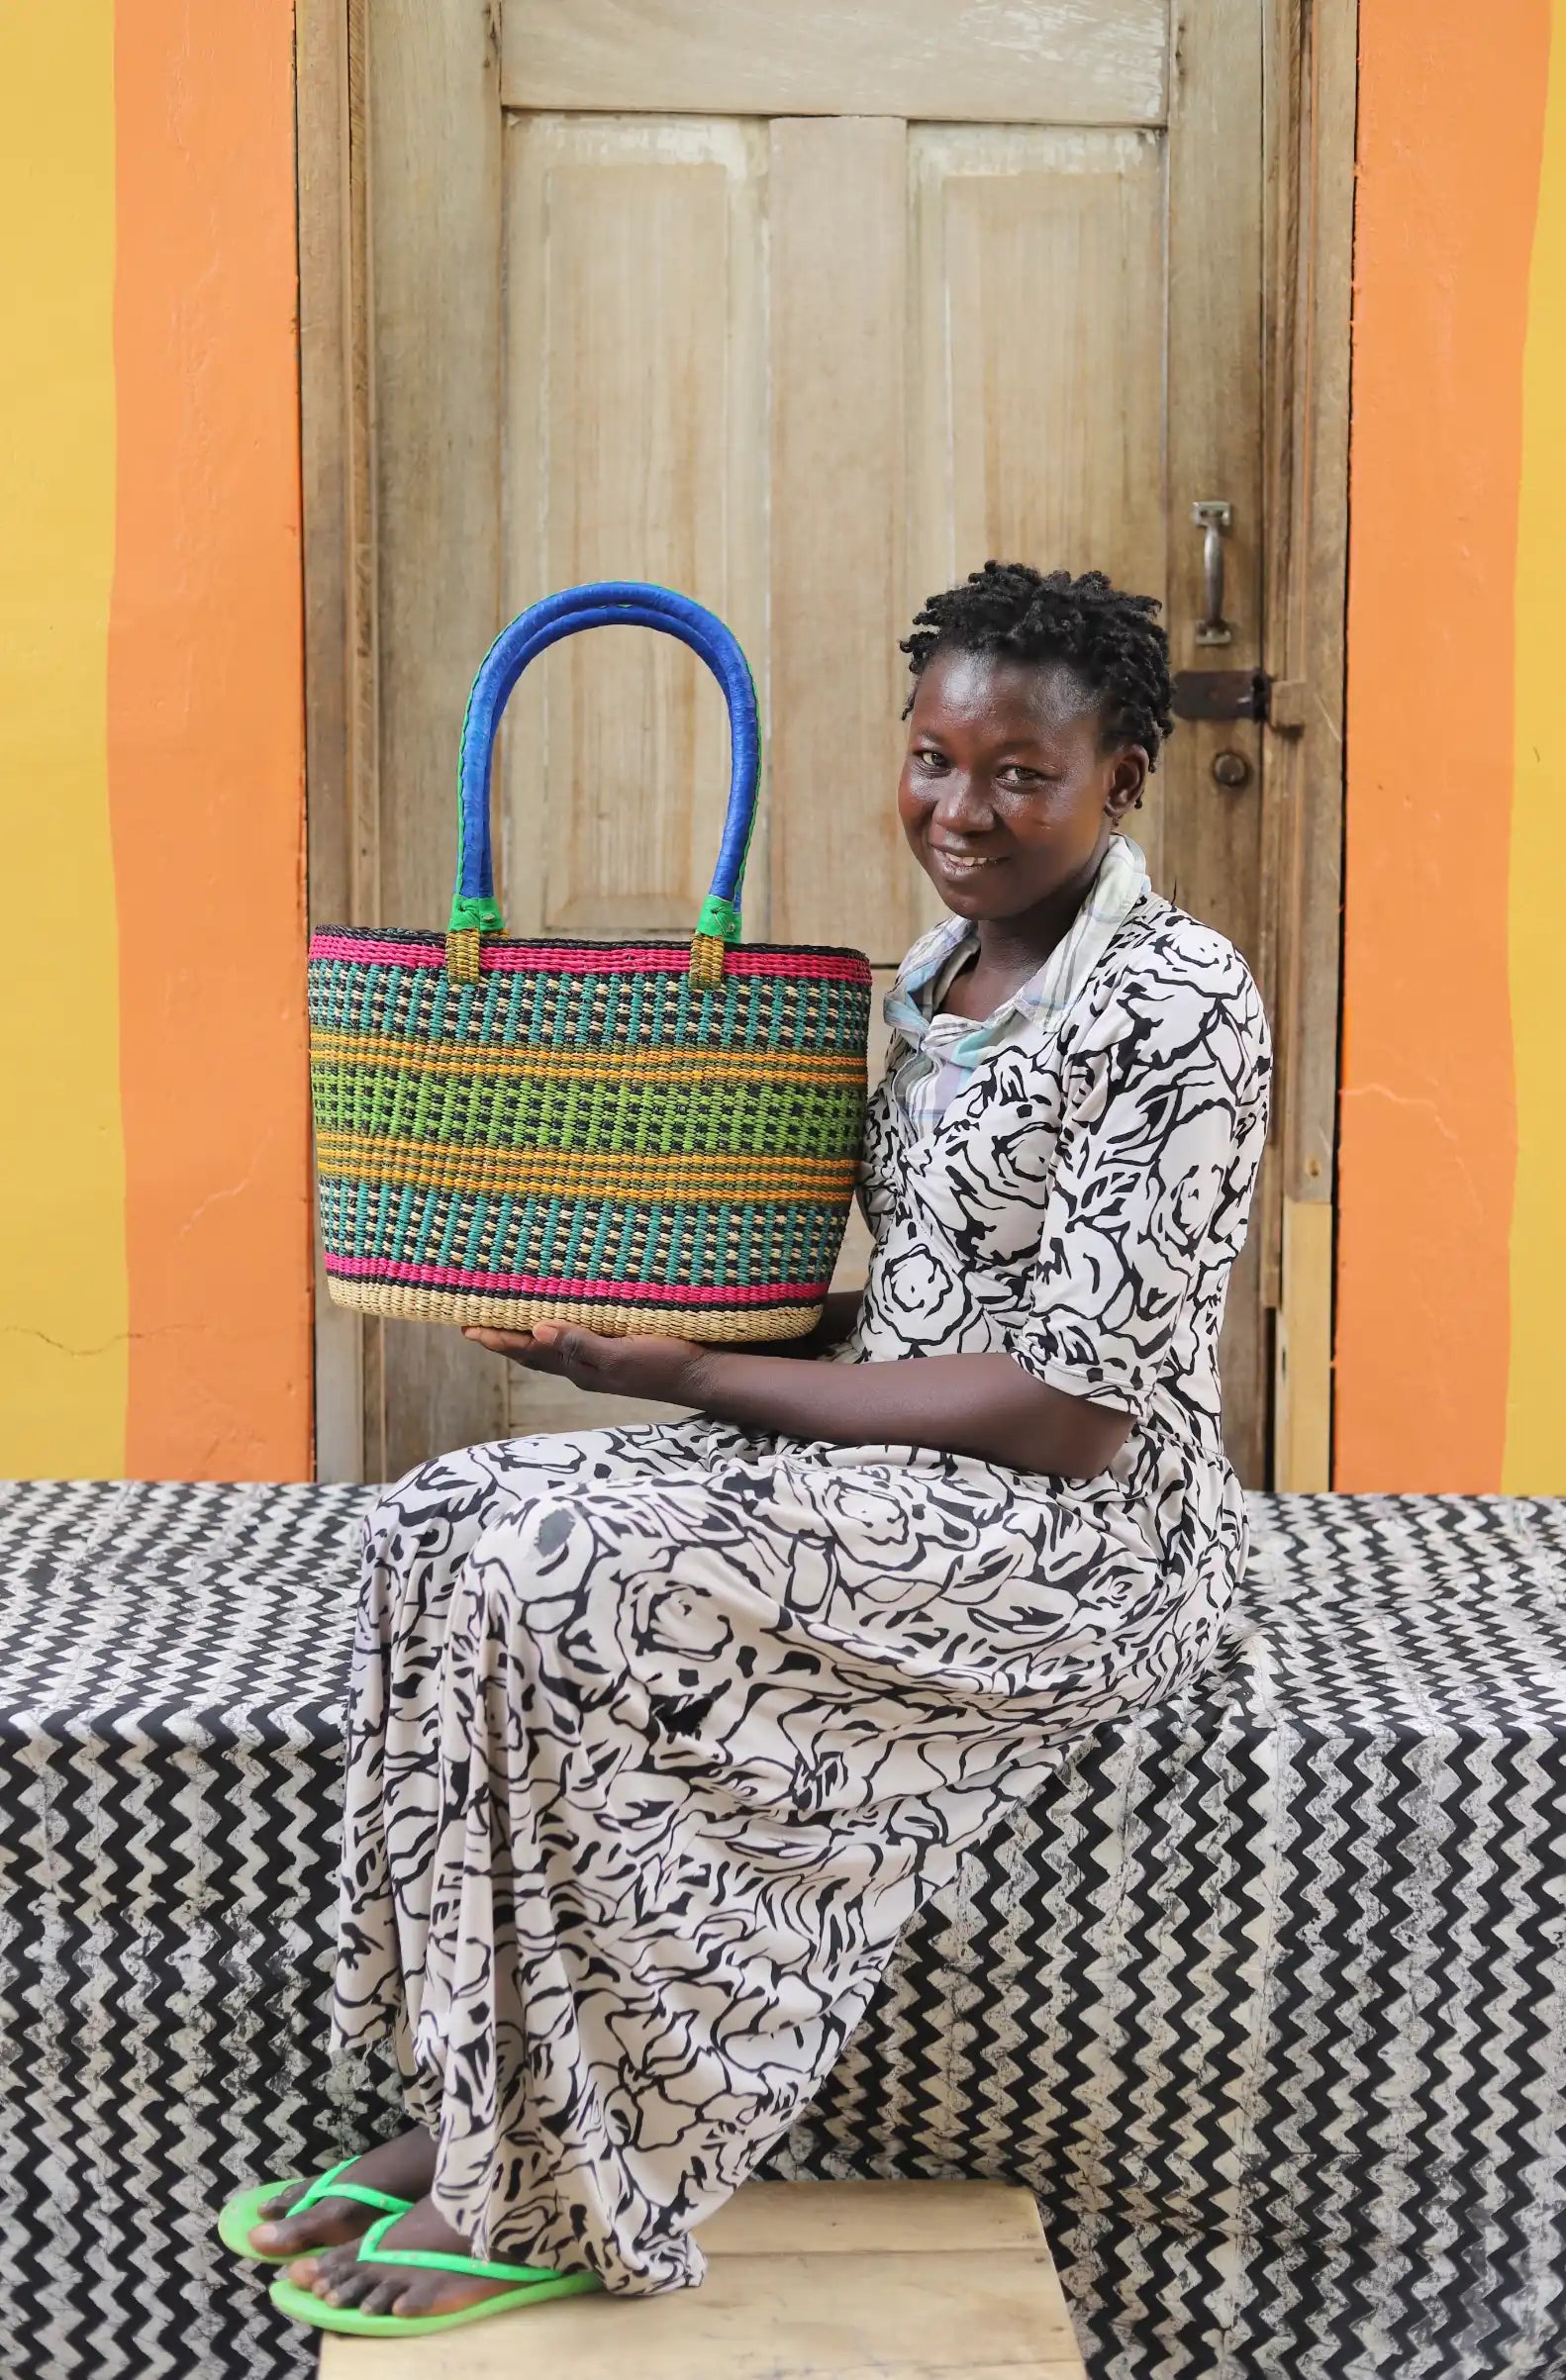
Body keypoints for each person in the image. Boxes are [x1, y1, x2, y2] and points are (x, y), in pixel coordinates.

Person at [241, 562, 1270, 2335]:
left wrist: (701, 1377)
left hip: (1090, 1533)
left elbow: (1069, 1404)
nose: (959, 810)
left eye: (1021, 773)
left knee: (563, 1569)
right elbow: (912, 1306)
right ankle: (495, 2096)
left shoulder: (1177, 1003)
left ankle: (569, 2177)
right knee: (442, 1519)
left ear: (1123, 779)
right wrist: (612, 1338)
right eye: (934, 757)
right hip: (900, 1474)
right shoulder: (943, 969)